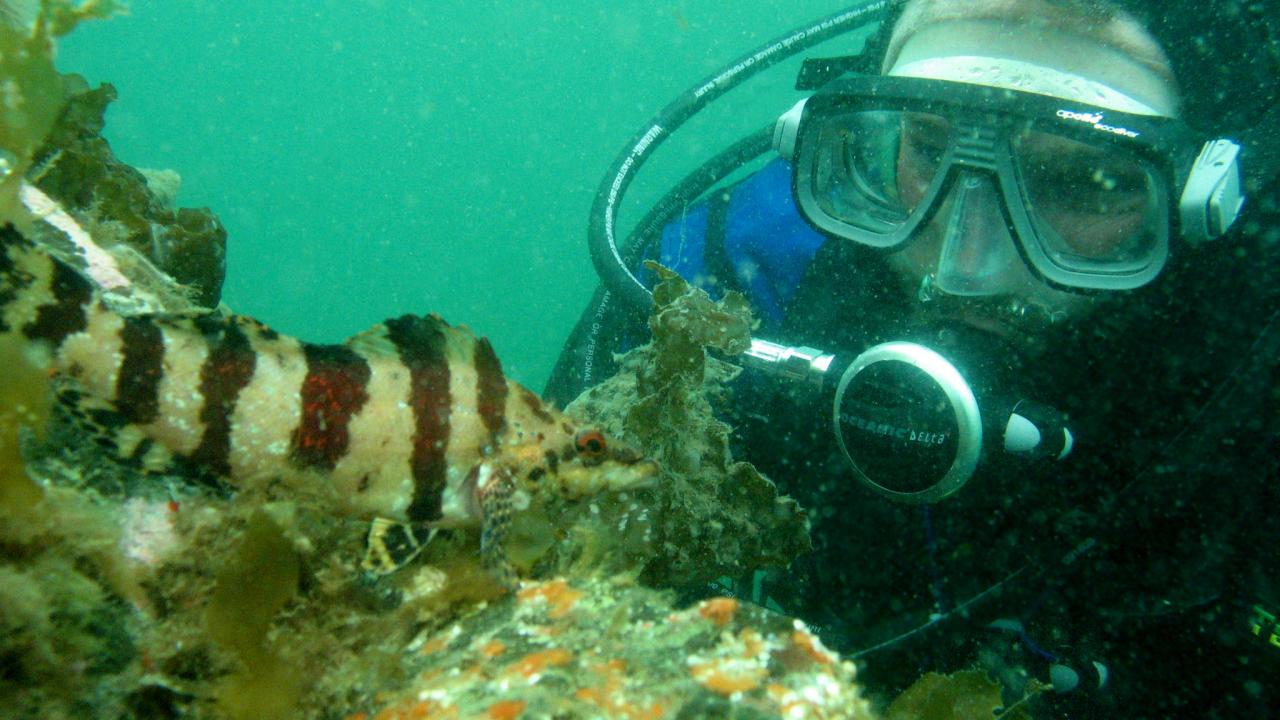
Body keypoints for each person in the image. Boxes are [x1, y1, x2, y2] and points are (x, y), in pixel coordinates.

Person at [548, 0, 1280, 715]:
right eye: (928, 147)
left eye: (1086, 182)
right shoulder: (737, 275)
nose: (971, 264)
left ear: (1205, 199)